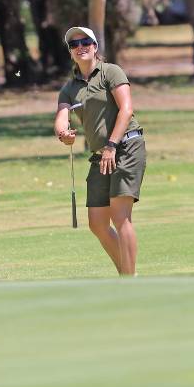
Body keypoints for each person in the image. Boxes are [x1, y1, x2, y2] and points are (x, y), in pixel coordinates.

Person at [54, 26, 146, 276]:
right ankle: (129, 274)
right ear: (71, 52)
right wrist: (65, 134)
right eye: (74, 45)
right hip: (100, 155)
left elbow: (126, 110)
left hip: (126, 145)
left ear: (95, 47)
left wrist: (111, 146)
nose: (80, 47)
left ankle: (129, 281)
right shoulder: (70, 87)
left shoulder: (110, 72)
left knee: (120, 215)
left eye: (85, 42)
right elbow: (62, 117)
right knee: (97, 223)